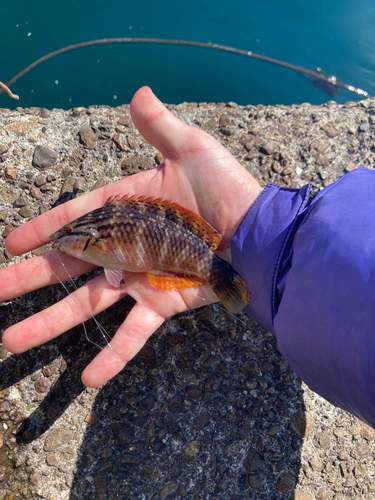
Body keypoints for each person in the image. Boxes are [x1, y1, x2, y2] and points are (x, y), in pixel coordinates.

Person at [1, 87, 374, 429]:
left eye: (66, 235)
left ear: (87, 238)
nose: (60, 240)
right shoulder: (96, 235)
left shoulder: (97, 238)